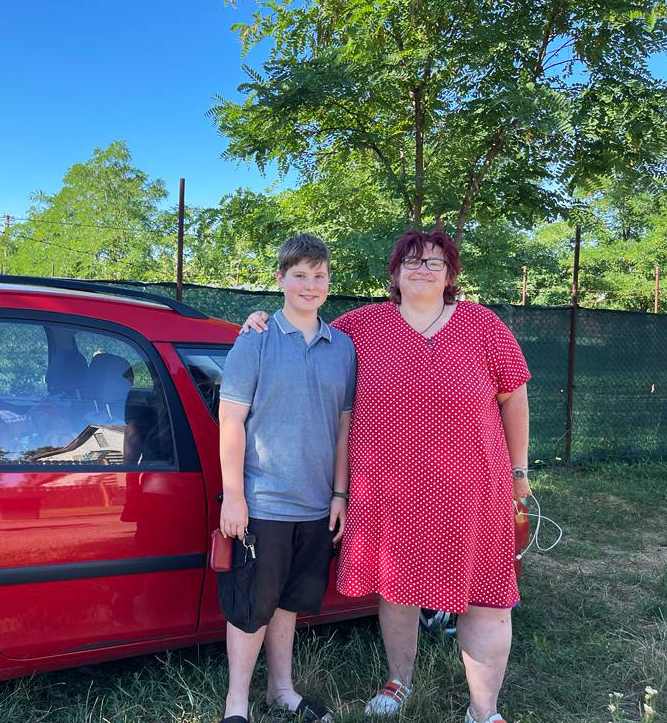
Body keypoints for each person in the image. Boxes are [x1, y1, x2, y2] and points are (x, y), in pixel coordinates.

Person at [242, 229, 531, 723]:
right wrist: (258, 320)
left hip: (475, 486)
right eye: (411, 261)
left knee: (486, 597)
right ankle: (399, 681)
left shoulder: (484, 325)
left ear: (451, 274)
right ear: (394, 273)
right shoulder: (363, 326)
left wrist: (519, 472)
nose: (422, 269)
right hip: (389, 487)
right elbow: (308, 329)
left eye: (434, 262)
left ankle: (484, 711)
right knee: (397, 587)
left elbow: (514, 398)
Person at [218, 233, 356, 723]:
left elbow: (343, 427)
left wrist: (339, 493)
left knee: (287, 604)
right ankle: (237, 705)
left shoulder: (343, 347)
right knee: (251, 605)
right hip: (263, 502)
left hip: (317, 504)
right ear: (280, 279)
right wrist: (233, 497)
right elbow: (230, 419)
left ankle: (282, 690)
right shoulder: (254, 339)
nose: (310, 284)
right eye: (300, 274)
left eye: (319, 275)